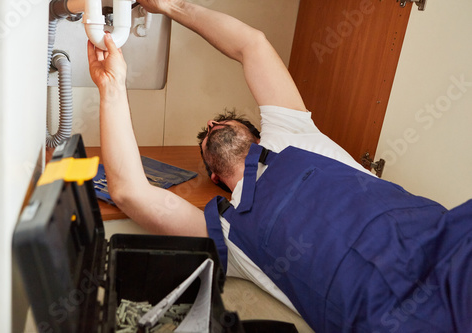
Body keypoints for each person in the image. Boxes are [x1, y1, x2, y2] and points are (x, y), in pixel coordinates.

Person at [87, 1, 472, 332]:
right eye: (203, 139)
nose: (209, 127)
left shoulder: (292, 131)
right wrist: (112, 87)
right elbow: (129, 191)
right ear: (216, 177)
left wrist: (171, 6)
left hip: (449, 244)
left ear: (255, 134)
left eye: (219, 120)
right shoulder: (225, 229)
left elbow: (250, 44)